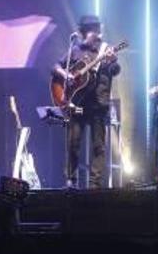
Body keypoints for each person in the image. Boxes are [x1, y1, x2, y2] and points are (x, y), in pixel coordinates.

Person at [52, 15, 121, 189]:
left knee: (99, 146)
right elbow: (55, 67)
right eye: (91, 31)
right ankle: (71, 180)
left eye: (96, 31)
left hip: (99, 103)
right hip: (78, 104)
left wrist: (113, 61)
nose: (94, 34)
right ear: (86, 32)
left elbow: (115, 70)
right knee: (73, 143)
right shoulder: (74, 50)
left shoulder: (106, 50)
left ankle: (94, 184)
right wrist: (65, 75)